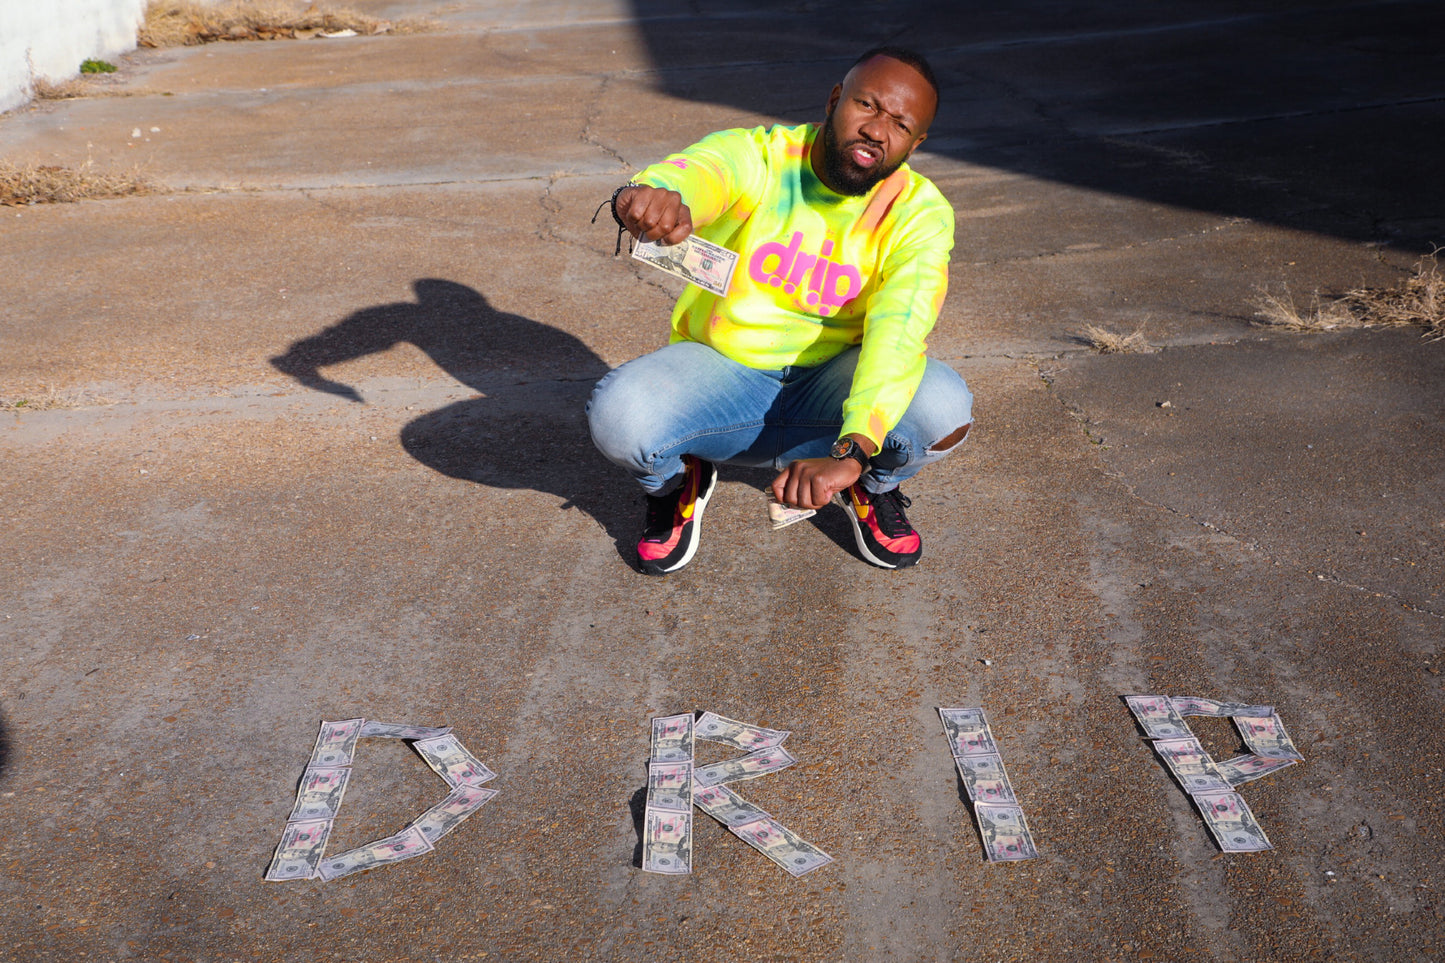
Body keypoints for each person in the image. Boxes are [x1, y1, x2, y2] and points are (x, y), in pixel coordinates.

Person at [588, 46, 974, 574]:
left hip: (832, 394)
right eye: (867, 104)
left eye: (901, 124)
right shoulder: (765, 157)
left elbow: (900, 330)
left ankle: (866, 483)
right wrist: (657, 196)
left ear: (917, 142)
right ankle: (680, 482)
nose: (878, 130)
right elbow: (706, 171)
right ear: (835, 99)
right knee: (619, 416)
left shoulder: (920, 214)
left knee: (944, 407)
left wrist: (856, 450)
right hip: (727, 377)